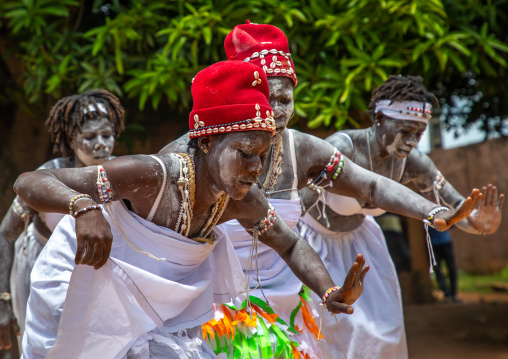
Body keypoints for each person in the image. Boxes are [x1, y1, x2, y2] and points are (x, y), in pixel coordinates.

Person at [159, 23, 482, 358]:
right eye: (269, 99)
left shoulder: (302, 150)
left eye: (286, 99)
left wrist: (431, 211)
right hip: (209, 304)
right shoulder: (196, 151)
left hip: (283, 301)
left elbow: (369, 184)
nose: (278, 111)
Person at [13, 61, 369, 359]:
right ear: (209, 141)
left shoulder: (242, 198)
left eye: (261, 157)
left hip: (158, 312)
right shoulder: (153, 176)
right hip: (80, 280)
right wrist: (84, 207)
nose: (256, 168)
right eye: (245, 154)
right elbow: (28, 182)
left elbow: (290, 244)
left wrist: (328, 292)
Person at [298, 75, 504, 358]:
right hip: (313, 246)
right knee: (325, 335)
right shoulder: (341, 149)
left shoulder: (413, 162)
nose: (411, 141)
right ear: (380, 117)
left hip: (364, 250)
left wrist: (481, 225)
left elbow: (456, 209)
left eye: (418, 135)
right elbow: (295, 210)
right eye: (405, 131)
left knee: (384, 332)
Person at [0, 89, 125, 351]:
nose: (101, 144)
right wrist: (2, 301)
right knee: (44, 345)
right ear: (71, 138)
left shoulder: (124, 173)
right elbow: (6, 234)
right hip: (38, 268)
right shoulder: (49, 177)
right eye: (89, 137)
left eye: (107, 135)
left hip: (97, 268)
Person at [428, 227, 460, 303]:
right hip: (433, 244)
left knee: (452, 268)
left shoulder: (444, 214)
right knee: (437, 270)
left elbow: (453, 224)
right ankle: (446, 294)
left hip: (446, 242)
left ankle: (454, 294)